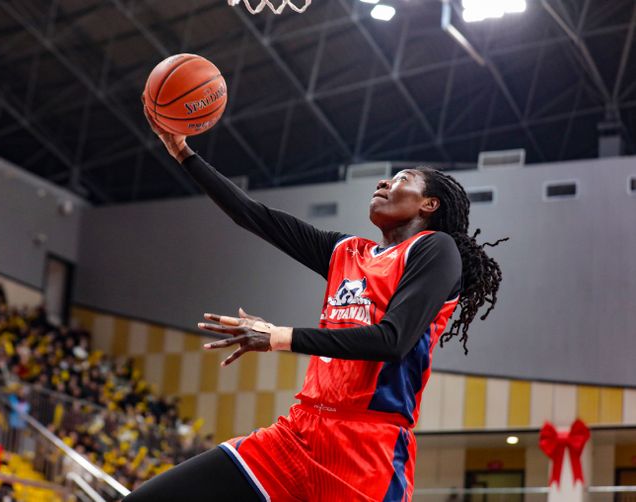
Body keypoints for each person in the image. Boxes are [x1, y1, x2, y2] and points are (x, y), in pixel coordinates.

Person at [125, 100, 506, 501]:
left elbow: (392, 341)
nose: (384, 183)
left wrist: (278, 336)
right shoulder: (346, 251)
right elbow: (252, 215)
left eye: (402, 179)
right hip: (297, 434)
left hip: (366, 451)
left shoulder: (435, 249)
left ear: (429, 204)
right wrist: (183, 153)